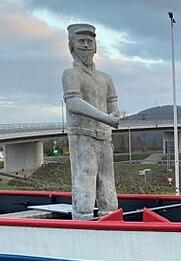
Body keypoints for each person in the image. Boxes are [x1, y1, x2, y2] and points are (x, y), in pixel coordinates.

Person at [61, 23, 120, 220]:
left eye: (90, 41)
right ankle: (82, 219)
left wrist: (114, 115)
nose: (86, 45)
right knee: (84, 177)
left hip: (104, 136)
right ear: (71, 46)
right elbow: (73, 102)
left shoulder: (105, 78)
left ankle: (111, 217)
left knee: (107, 181)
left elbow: (112, 102)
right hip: (82, 135)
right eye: (81, 41)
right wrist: (105, 117)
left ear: (95, 46)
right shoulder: (71, 74)